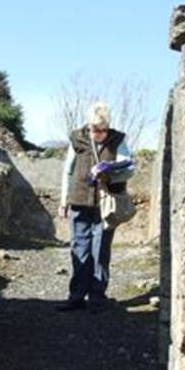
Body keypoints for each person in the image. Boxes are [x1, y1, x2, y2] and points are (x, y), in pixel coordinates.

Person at [56, 101, 135, 312]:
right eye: (94, 129)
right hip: (79, 201)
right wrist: (64, 200)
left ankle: (97, 297)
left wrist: (108, 172)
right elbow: (68, 171)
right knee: (79, 248)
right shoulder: (77, 138)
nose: (98, 134)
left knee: (100, 250)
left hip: (105, 204)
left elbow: (129, 169)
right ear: (88, 126)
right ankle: (77, 296)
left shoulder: (118, 140)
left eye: (102, 130)